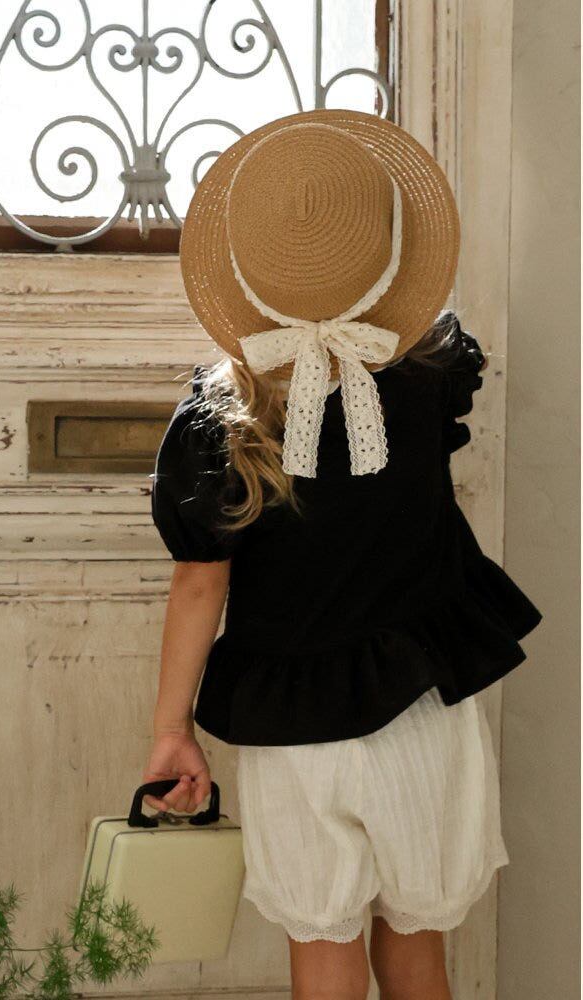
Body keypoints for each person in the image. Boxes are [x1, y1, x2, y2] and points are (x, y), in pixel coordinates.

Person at [143, 111, 542, 1000]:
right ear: (390, 255)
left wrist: (172, 730)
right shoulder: (430, 375)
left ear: (240, 272)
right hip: (420, 707)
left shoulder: (219, 417)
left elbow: (200, 583)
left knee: (321, 952)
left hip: (293, 726)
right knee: (417, 950)